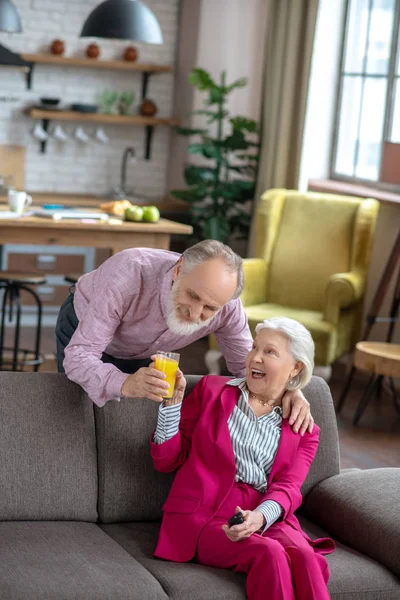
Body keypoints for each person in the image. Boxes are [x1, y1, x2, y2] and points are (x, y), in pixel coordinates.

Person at [150, 317, 335, 600]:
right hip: (206, 514)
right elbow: (167, 461)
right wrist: (171, 405)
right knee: (269, 552)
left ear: (295, 367)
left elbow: (288, 486)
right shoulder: (211, 391)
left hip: (266, 513)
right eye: (254, 348)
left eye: (270, 352)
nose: (255, 358)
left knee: (306, 559)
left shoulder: (304, 429)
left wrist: (260, 517)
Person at [56, 240, 313, 434]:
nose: (195, 314)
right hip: (82, 330)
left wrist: (289, 390)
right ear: (179, 270)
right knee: (73, 414)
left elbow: (246, 368)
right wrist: (123, 383)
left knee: (126, 423)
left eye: (210, 308)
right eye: (192, 296)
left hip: (142, 352)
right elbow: (79, 357)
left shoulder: (228, 308)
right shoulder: (129, 272)